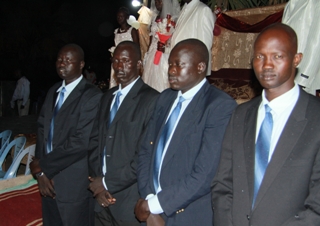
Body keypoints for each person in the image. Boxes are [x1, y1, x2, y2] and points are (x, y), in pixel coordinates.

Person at [211, 23, 320, 225]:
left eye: (277, 56)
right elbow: (223, 184)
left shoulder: (315, 117)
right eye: (260, 57)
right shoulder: (241, 114)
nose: (267, 65)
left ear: (296, 59)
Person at [135, 39, 236, 226]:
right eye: (171, 64)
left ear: (200, 67)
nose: (171, 70)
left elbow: (205, 174)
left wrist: (156, 205)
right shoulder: (165, 98)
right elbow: (145, 151)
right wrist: (148, 197)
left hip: (186, 214)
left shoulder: (218, 106)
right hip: (150, 209)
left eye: (180, 65)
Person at [88, 41, 159, 226]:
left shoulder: (152, 99)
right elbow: (95, 142)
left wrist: (107, 183)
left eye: (126, 61)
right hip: (101, 200)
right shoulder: (107, 97)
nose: (119, 66)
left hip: (128, 202)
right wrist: (99, 184)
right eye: (116, 61)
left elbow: (144, 156)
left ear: (139, 65)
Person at [30, 44, 102, 226]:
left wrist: (43, 166)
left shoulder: (92, 95)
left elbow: (80, 142)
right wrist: (41, 174)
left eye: (69, 60)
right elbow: (42, 130)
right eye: (60, 59)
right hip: (47, 182)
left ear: (81, 64)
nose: (63, 64)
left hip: (72, 183)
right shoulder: (53, 91)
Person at [282, 0, 320, 95]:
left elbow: (315, 42)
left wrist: (303, 78)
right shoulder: (291, 3)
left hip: (305, 75)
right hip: (288, 72)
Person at [142, 0, 180, 92]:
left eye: (159, 1)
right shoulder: (154, 17)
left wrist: (165, 47)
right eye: (156, 1)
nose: (157, 4)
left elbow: (173, 38)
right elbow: (151, 37)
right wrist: (147, 53)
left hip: (164, 53)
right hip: (153, 52)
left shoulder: (171, 18)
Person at [170, 0, 215, 76]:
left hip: (192, 72)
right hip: (180, 69)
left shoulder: (203, 10)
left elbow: (204, 46)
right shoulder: (185, 9)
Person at [109, 7, 140, 89]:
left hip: (127, 62)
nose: (119, 18)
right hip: (117, 61)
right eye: (118, 16)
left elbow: (137, 47)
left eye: (121, 16)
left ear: (126, 17)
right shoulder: (116, 31)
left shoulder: (132, 30)